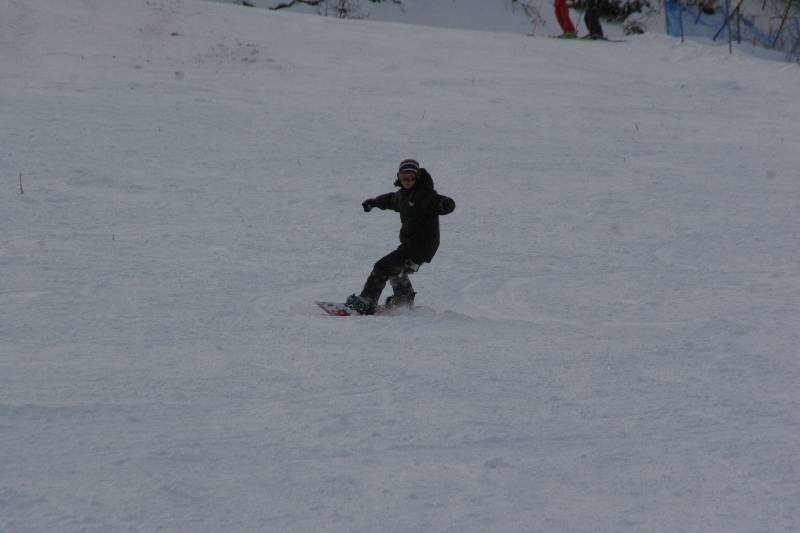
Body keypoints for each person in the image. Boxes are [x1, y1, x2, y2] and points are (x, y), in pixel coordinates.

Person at [345, 159, 456, 315]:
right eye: (403, 178)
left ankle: (367, 301)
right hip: (414, 245)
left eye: (411, 178)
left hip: (420, 245)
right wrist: (374, 202)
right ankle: (403, 301)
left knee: (382, 267)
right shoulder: (402, 195)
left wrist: (446, 204)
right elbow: (390, 200)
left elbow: (437, 202)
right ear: (399, 177)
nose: (407, 181)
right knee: (397, 271)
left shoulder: (425, 195)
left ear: (417, 177)